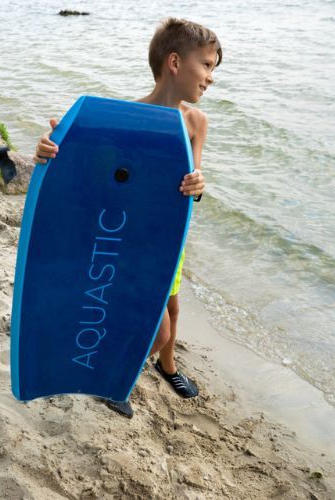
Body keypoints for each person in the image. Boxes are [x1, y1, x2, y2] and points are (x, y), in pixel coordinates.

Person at [33, 18, 222, 418]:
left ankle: (167, 367)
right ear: (175, 62)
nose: (211, 77)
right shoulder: (124, 119)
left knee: (172, 307)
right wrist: (51, 151)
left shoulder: (196, 122)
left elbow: (193, 185)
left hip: (167, 238)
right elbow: (89, 178)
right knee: (158, 329)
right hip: (124, 241)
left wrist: (198, 184)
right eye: (206, 65)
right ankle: (113, 376)